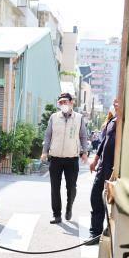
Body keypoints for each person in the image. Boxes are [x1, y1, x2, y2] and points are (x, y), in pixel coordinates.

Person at [40, 92, 89, 224]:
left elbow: (83, 136)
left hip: (72, 158)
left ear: (71, 102)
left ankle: (69, 207)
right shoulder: (54, 117)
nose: (63, 104)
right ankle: (57, 214)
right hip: (55, 158)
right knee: (55, 187)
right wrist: (44, 151)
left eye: (65, 101)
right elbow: (48, 136)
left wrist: (84, 152)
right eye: (60, 102)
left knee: (71, 187)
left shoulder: (78, 118)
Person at [89, 100, 119, 239]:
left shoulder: (126, 121)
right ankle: (95, 232)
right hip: (103, 168)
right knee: (95, 197)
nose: (115, 104)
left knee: (112, 203)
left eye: (118, 101)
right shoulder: (112, 121)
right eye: (114, 102)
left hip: (116, 170)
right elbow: (102, 144)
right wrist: (95, 160)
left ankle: (109, 233)